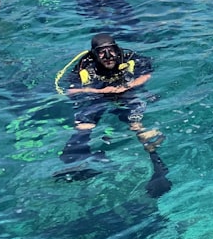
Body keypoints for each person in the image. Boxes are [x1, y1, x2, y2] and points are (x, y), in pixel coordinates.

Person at [57, 33, 170, 197]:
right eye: (102, 53)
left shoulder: (128, 57)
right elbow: (71, 89)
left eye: (111, 51)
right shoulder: (85, 64)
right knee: (84, 123)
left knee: (135, 123)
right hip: (98, 93)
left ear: (117, 50)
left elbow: (147, 72)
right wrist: (101, 91)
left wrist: (129, 85)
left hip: (125, 90)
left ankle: (158, 166)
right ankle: (75, 163)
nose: (108, 56)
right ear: (95, 54)